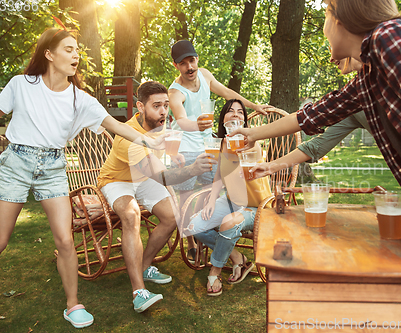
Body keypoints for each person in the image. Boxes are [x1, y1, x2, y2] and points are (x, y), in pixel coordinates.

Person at [232, 0, 401, 300]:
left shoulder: (390, 37)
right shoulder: (369, 78)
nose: (323, 30)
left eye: (324, 15)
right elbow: (311, 116)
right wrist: (252, 134)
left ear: (337, 16)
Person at [0, 27, 165, 330]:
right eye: (68, 49)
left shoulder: (80, 99)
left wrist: (149, 141)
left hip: (52, 167)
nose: (76, 55)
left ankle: (73, 304)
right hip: (16, 162)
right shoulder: (21, 85)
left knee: (66, 240)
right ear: (49, 54)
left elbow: (115, 126)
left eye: (77, 50)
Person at [97, 81, 215, 313]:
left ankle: (144, 265)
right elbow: (161, 177)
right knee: (131, 217)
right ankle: (138, 292)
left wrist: (175, 153)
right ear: (140, 106)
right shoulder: (126, 137)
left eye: (166, 105)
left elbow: (158, 151)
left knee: (172, 216)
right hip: (116, 180)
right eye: (156, 106)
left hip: (142, 179)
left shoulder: (160, 125)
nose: (163, 111)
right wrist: (192, 170)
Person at [168, 40, 271, 260]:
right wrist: (197, 125)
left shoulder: (204, 75)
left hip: (210, 146)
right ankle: (191, 242)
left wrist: (253, 106)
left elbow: (227, 93)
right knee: (186, 199)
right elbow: (182, 120)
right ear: (176, 65)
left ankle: (213, 240)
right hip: (186, 150)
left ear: (197, 59)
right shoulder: (175, 92)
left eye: (192, 60)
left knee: (209, 198)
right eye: (183, 63)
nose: (190, 67)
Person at [184, 99, 272, 296]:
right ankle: (237, 257)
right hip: (232, 200)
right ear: (223, 118)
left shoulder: (251, 142)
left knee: (228, 223)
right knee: (195, 226)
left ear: (245, 120)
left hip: (257, 205)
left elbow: (253, 152)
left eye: (240, 112)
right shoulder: (222, 143)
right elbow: (218, 175)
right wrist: (213, 199)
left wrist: (243, 157)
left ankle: (215, 270)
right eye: (230, 111)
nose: (235, 114)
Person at [251, 56, 372, 178]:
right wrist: (270, 167)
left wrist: (251, 134)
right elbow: (315, 144)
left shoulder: (385, 68)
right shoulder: (353, 99)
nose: (330, 59)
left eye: (332, 46)